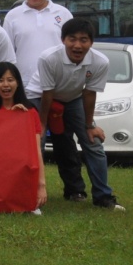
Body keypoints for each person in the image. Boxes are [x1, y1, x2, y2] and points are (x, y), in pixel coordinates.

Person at [37, 18, 123, 211]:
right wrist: (41, 124)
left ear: (91, 42)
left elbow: (89, 93)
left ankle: (103, 196)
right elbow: (47, 93)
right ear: (63, 40)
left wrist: (89, 126)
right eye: (72, 39)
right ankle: (31, 195)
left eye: (83, 40)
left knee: (94, 143)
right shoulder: (48, 58)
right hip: (40, 97)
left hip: (73, 99)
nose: (77, 45)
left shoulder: (100, 61)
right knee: (37, 144)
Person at [0, 61, 47, 211]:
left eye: (10, 80)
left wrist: (41, 186)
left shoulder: (29, 113)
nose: (5, 85)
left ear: (18, 83)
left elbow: (36, 151)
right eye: (0, 80)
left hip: (19, 170)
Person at [3, 0, 73, 102]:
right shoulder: (12, 16)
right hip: (26, 87)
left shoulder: (63, 13)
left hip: (59, 85)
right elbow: (7, 53)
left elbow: (71, 47)